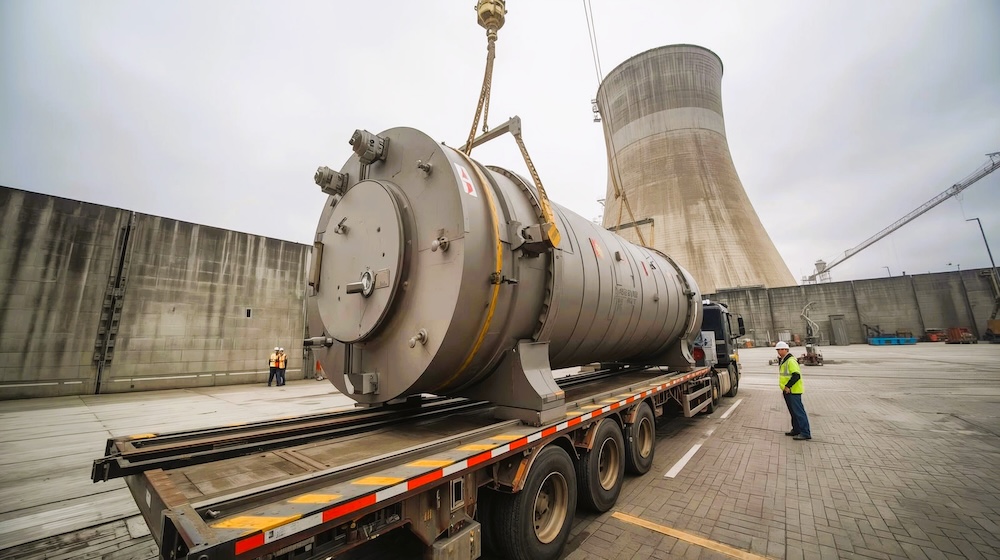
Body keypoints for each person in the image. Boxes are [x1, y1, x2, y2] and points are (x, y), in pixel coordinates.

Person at [776, 341, 811, 440]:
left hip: (793, 391)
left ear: (785, 350)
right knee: (793, 412)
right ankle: (796, 429)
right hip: (788, 391)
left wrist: (788, 386)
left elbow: (796, 375)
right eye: (777, 350)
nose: (778, 352)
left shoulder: (791, 361)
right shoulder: (784, 360)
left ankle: (805, 432)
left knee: (798, 412)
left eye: (780, 350)